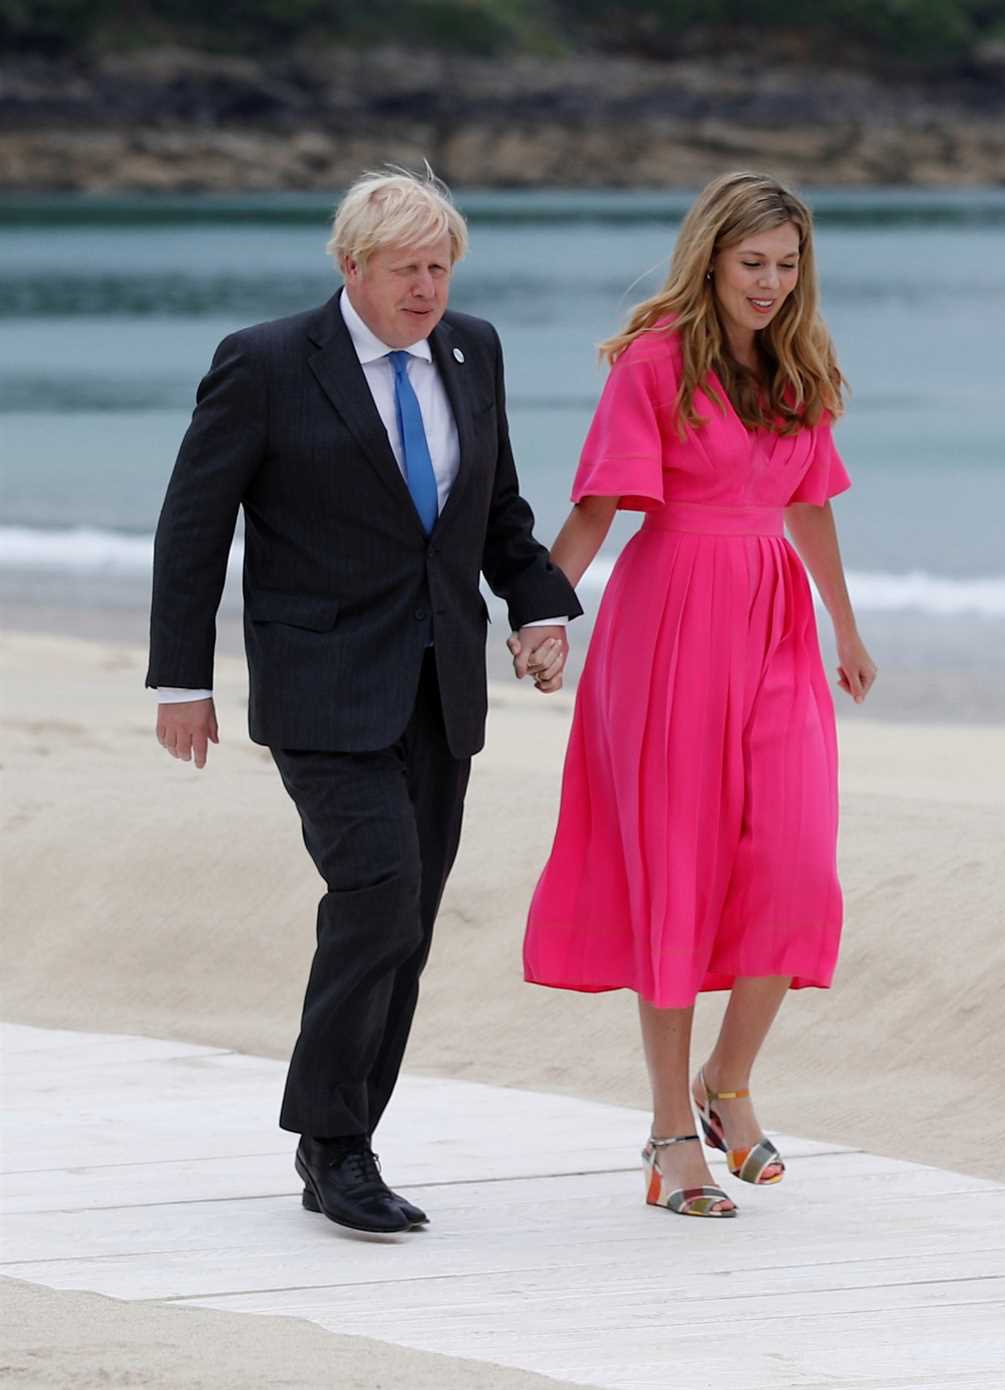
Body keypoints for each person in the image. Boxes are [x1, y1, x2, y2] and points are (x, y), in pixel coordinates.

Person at [147, 166, 580, 1235]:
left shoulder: (473, 350)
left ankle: (348, 1138)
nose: (427, 288)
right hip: (320, 685)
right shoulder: (264, 363)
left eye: (440, 267)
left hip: (440, 689)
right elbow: (193, 525)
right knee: (377, 895)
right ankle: (331, 1142)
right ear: (352, 267)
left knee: (408, 925)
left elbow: (497, 511)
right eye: (406, 269)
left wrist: (538, 610)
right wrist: (181, 679)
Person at [516, 171, 876, 1218]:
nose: (769, 283)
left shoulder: (798, 366)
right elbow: (595, 508)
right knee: (674, 875)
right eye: (751, 263)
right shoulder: (654, 363)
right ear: (711, 258)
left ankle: (729, 1082)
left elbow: (809, 506)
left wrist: (843, 625)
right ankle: (671, 1128)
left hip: (771, 623)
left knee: (797, 864)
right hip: (666, 623)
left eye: (786, 264)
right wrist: (543, 612)